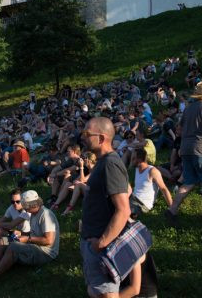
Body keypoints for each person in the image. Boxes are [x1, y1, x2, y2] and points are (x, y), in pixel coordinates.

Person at [0, 190, 59, 295]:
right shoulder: (33, 213)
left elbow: (49, 241)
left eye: (25, 206)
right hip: (31, 242)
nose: (24, 208)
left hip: (46, 251)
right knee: (3, 241)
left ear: (32, 204)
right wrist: (21, 237)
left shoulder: (46, 215)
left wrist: (27, 239)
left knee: (12, 246)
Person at [80, 117, 131, 297]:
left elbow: (124, 210)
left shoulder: (110, 163)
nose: (83, 137)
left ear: (101, 138)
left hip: (101, 246)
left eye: (87, 133)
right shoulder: (104, 162)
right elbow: (127, 189)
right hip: (93, 238)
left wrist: (101, 243)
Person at [165, 80, 202, 225]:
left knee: (189, 181)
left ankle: (172, 209)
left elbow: (180, 128)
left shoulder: (188, 108)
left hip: (186, 148)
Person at [130, 148, 172, 218]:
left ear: (139, 159)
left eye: (133, 158)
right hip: (133, 199)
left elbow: (164, 189)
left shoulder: (152, 171)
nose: (131, 160)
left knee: (122, 211)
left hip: (142, 204)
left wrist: (172, 208)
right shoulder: (137, 169)